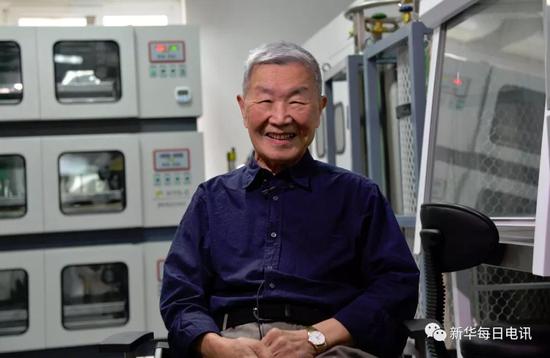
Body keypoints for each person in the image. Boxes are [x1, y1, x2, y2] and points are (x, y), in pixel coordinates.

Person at [160, 41, 419, 358]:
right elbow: (179, 296)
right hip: (231, 343)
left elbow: (397, 287)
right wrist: (218, 347)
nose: (280, 118)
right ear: (243, 108)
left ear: (321, 108)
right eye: (266, 100)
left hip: (330, 346)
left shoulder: (359, 197)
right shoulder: (211, 200)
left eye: (297, 102)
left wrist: (316, 338)